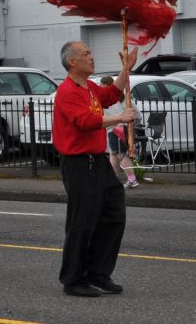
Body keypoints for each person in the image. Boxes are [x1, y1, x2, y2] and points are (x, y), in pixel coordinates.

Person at [54, 41, 136, 297]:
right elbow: (86, 121)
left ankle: (98, 273)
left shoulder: (88, 87)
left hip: (97, 161)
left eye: (91, 51)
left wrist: (125, 70)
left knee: (113, 212)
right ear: (72, 62)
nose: (92, 57)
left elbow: (112, 95)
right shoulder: (67, 91)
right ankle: (73, 279)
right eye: (86, 53)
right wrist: (120, 118)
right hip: (79, 163)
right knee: (82, 222)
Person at [100, 76, 139, 189]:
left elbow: (106, 116)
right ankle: (113, 179)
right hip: (125, 129)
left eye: (102, 85)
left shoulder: (109, 99)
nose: (100, 87)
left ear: (107, 85)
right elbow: (137, 114)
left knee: (121, 155)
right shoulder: (124, 98)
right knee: (114, 154)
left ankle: (132, 180)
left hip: (115, 129)